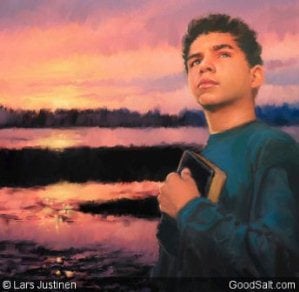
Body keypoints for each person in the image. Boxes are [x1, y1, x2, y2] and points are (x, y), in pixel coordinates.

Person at [152, 13, 299, 281]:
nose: (204, 66)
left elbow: (280, 268)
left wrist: (188, 209)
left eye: (222, 54)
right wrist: (173, 223)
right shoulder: (206, 155)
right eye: (195, 61)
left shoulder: (272, 147)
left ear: (254, 76)